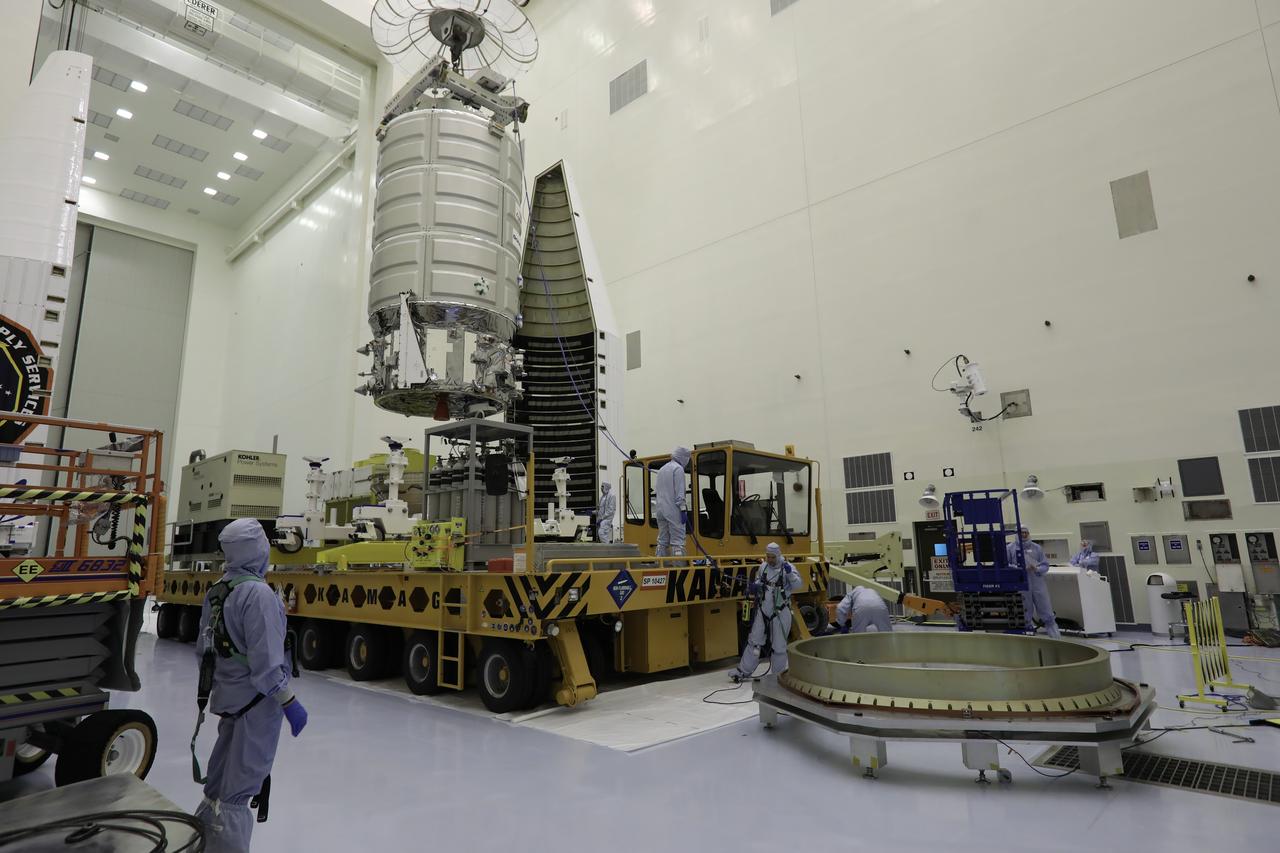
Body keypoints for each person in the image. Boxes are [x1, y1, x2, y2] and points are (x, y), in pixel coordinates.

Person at [195, 519, 308, 853]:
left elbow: (205, 653)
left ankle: (202, 841)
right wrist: (290, 704)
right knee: (239, 790)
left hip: (230, 700)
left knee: (218, 784)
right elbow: (267, 665)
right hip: (257, 704)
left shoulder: (218, 590)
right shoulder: (258, 595)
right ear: (258, 549)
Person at [730, 543, 803, 680]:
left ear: (778, 555)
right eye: (768, 556)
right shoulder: (763, 567)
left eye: (772, 557)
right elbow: (759, 580)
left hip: (780, 612)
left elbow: (798, 585)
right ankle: (743, 671)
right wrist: (756, 586)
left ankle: (778, 675)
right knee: (754, 641)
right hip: (763, 611)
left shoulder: (787, 568)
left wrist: (790, 575)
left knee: (779, 647)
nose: (770, 559)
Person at [1006, 525, 1060, 638]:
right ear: (1017, 533)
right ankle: (1027, 636)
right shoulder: (1010, 548)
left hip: (1038, 583)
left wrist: (1037, 569)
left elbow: (1045, 565)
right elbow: (1006, 565)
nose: (1024, 535)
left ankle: (1056, 638)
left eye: (1026, 533)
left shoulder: (1037, 548)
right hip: (1021, 583)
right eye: (1021, 532)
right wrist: (1019, 568)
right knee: (1025, 610)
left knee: (1046, 609)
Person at [654, 446, 691, 558]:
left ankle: (661, 568)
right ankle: (678, 569)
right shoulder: (678, 469)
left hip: (660, 510)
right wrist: (683, 509)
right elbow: (680, 493)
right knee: (677, 542)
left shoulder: (662, 469)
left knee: (662, 541)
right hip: (673, 510)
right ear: (683, 457)